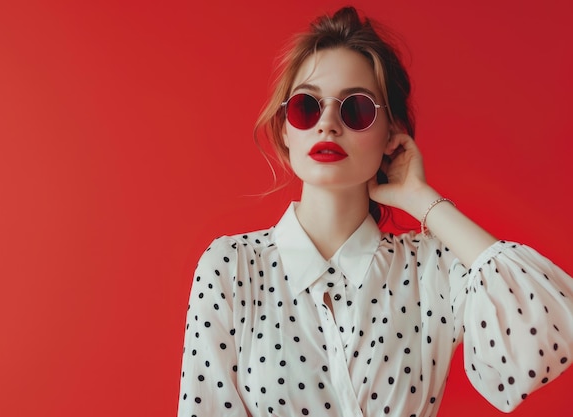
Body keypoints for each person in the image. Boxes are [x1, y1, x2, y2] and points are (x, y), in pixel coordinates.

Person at [177, 6, 573, 417]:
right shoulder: (233, 267)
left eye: (357, 109)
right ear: (284, 129)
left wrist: (421, 199)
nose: (328, 124)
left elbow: (550, 327)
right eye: (306, 106)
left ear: (390, 134)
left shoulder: (431, 269)